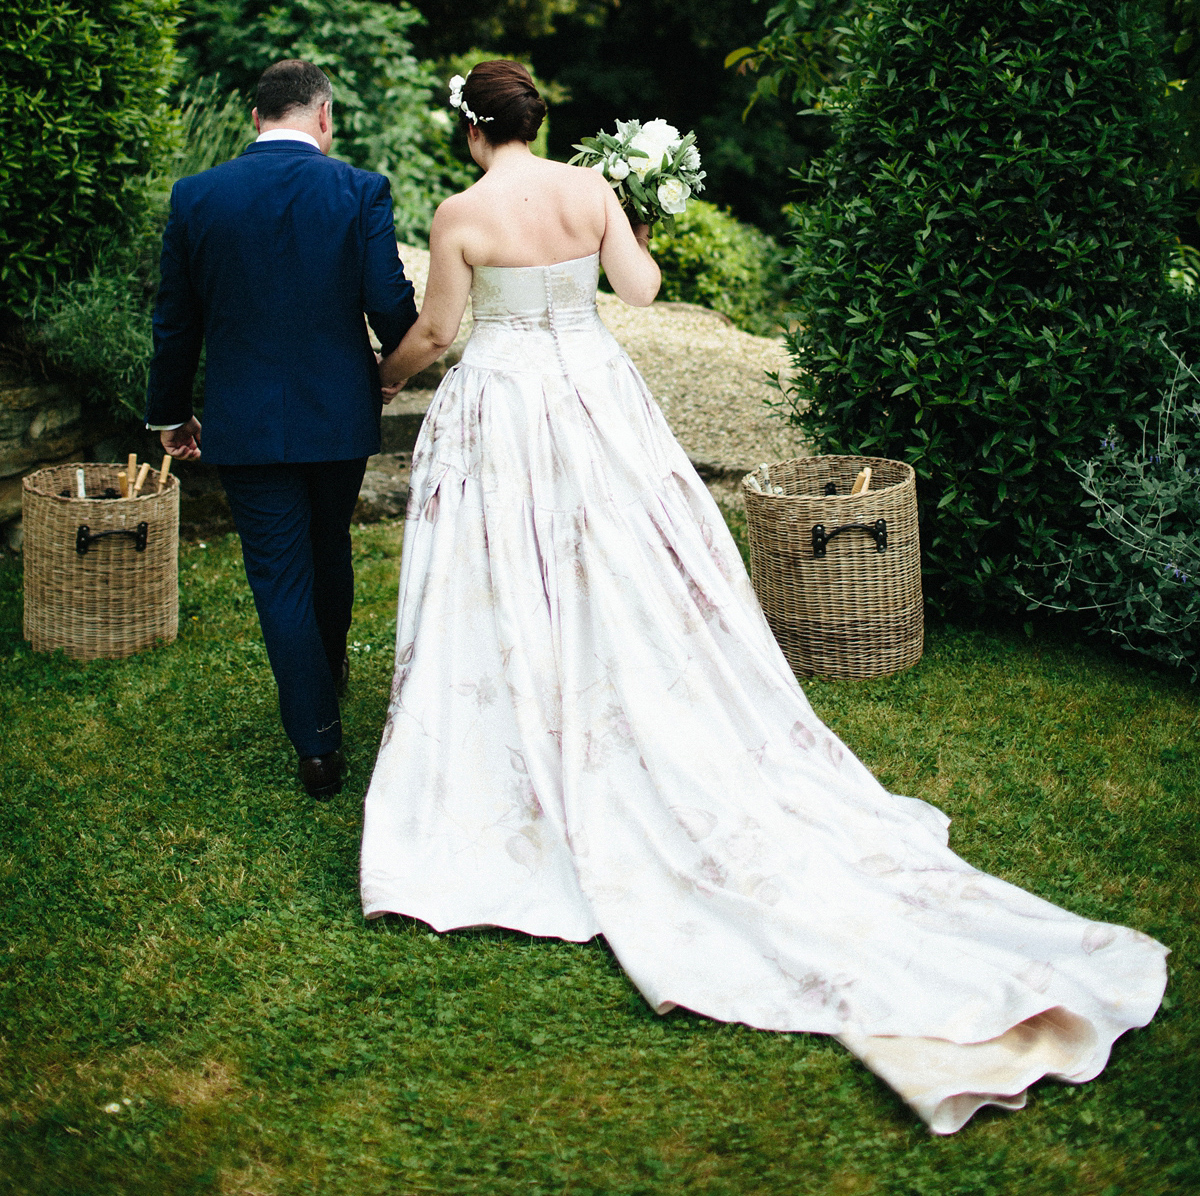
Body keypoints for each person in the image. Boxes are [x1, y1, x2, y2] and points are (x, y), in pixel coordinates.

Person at [360, 59, 1167, 1134]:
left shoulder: (462, 211)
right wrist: (621, 219)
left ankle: (528, 713)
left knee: (508, 564)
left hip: (509, 401)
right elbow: (638, 294)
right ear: (536, 120)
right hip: (594, 390)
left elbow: (439, 332)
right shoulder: (593, 190)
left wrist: (386, 379)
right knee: (629, 558)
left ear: (470, 131)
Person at [145, 59, 417, 799]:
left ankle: (318, 744)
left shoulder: (198, 197)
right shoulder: (359, 189)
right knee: (328, 546)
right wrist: (399, 362)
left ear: (255, 118)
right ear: (323, 118)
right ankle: (324, 676)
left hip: (246, 418)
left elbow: (175, 322)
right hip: (339, 416)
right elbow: (388, 300)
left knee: (278, 574)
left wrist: (171, 415)